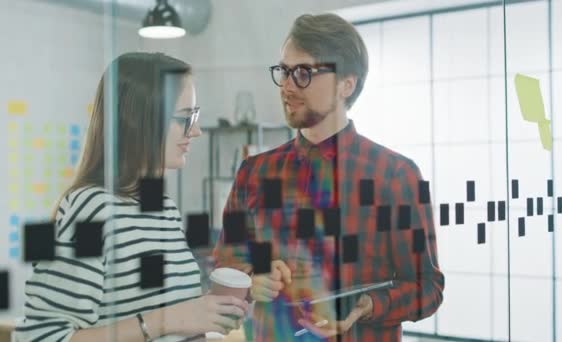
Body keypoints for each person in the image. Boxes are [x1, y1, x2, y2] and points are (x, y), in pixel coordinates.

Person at [213, 13, 444, 341]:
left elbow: (428, 287)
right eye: (284, 71)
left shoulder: (396, 176)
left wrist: (367, 305)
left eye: (304, 73)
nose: (288, 86)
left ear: (345, 84)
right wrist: (251, 280)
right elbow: (225, 266)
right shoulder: (254, 172)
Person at [15, 52, 248, 342]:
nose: (196, 130)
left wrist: (206, 315)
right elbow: (40, 337)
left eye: (195, 117)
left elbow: (159, 315)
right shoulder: (92, 209)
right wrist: (166, 321)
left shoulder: (163, 209)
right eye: (186, 118)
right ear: (142, 121)